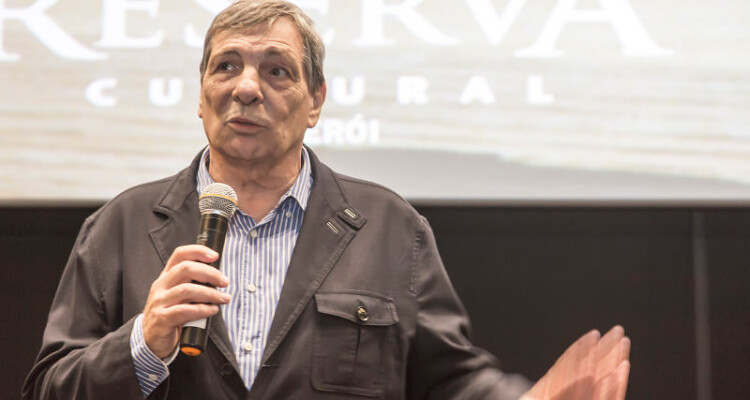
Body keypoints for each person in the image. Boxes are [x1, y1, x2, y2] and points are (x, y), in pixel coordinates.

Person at [23, 1, 630, 399]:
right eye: (226, 67)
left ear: (315, 101)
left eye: (276, 71)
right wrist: (143, 342)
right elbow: (49, 388)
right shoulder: (121, 226)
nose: (246, 87)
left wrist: (531, 398)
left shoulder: (390, 229)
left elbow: (449, 382)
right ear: (201, 96)